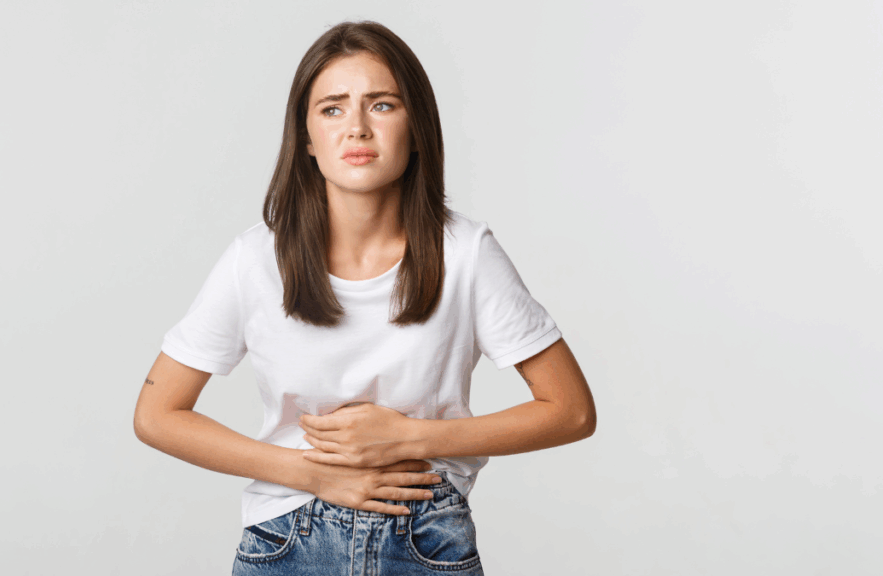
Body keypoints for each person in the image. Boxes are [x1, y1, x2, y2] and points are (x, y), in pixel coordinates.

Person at [133, 20, 596, 575]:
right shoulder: (254, 260)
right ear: (306, 138)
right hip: (288, 539)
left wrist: (411, 436)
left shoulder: (466, 253)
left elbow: (571, 411)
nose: (356, 128)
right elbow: (158, 415)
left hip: (426, 536)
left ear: (416, 126)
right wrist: (310, 472)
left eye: (381, 105)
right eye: (332, 108)